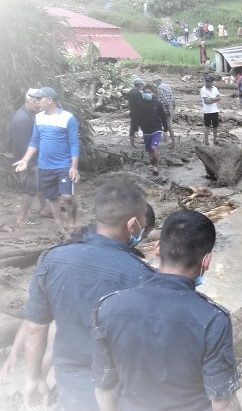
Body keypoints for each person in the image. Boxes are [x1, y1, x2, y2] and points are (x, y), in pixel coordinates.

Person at [20, 181, 154, 410]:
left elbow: (35, 328)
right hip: (120, 387)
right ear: (133, 225)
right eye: (143, 221)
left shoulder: (52, 259)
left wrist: (33, 379)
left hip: (70, 381)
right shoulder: (142, 275)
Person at [92, 210, 241, 411]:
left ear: (157, 248)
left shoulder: (108, 307)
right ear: (207, 261)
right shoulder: (213, 319)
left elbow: (104, 387)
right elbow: (222, 403)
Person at [14, 87, 80, 236]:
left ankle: (73, 221)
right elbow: (34, 141)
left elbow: (74, 143)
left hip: (64, 165)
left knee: (67, 197)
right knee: (52, 197)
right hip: (45, 166)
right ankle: (60, 225)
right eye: (35, 100)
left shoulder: (68, 118)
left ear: (50, 100)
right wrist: (25, 160)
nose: (37, 102)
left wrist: (74, 167)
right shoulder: (39, 118)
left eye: (39, 99)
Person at [7, 89, 45, 225]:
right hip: (28, 160)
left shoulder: (26, 114)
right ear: (29, 101)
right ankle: (22, 218)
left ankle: (43, 209)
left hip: (31, 158)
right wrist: (28, 162)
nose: (39, 105)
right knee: (30, 189)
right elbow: (22, 144)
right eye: (37, 102)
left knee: (40, 184)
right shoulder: (24, 118)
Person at [132, 84, 168, 176]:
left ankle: (156, 166)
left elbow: (163, 117)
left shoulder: (157, 104)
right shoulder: (139, 104)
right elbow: (136, 118)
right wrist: (135, 130)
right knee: (149, 151)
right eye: (145, 92)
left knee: (153, 147)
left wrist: (165, 130)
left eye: (149, 92)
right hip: (146, 131)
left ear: (152, 93)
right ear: (142, 93)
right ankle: (152, 165)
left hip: (156, 129)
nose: (147, 94)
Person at [153, 78, 176, 148]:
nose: (155, 84)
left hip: (165, 108)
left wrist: (165, 108)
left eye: (155, 82)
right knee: (168, 124)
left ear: (158, 81)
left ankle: (172, 142)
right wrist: (172, 107)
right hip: (170, 107)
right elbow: (173, 98)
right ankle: (167, 139)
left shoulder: (159, 88)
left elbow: (165, 100)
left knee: (167, 125)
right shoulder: (167, 86)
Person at [200, 76, 222, 146]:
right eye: (207, 81)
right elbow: (206, 101)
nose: (208, 83)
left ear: (212, 82)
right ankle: (206, 141)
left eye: (209, 81)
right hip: (207, 111)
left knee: (215, 126)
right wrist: (215, 99)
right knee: (207, 126)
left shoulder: (215, 88)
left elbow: (219, 98)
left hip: (215, 110)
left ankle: (215, 139)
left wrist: (212, 99)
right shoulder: (203, 89)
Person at [127, 78, 146, 148]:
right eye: (142, 85)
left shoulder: (130, 92)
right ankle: (146, 141)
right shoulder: (137, 93)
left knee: (133, 128)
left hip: (132, 112)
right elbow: (140, 104)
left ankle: (132, 144)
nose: (143, 87)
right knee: (145, 127)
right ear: (139, 85)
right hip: (139, 114)